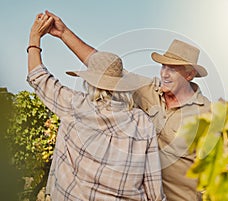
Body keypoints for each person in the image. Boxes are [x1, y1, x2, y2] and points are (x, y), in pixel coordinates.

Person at [45, 10, 211, 201]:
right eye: (163, 66)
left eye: (172, 69)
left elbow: (221, 174)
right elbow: (106, 68)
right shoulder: (148, 89)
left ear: (189, 75)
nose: (164, 73)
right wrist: (64, 33)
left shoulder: (208, 115)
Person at [27, 13, 166, 200]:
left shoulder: (74, 105)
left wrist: (34, 39)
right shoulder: (142, 122)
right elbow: (153, 185)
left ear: (89, 82)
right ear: (123, 85)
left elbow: (38, 77)